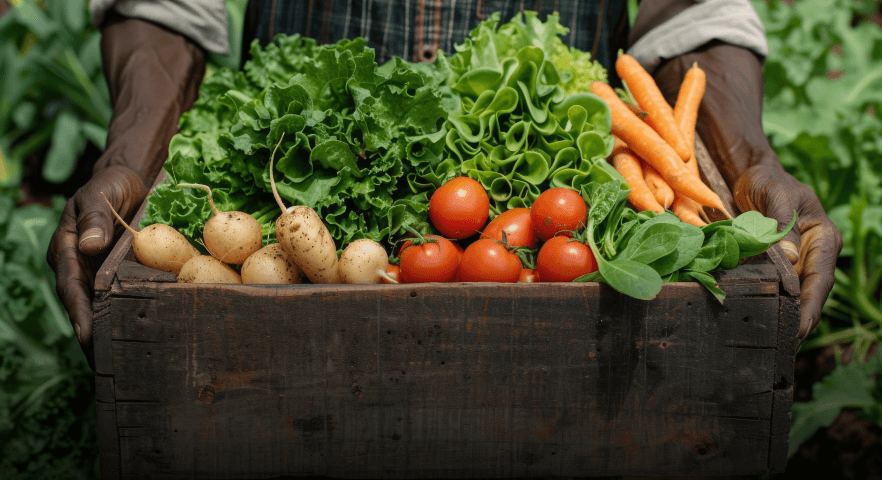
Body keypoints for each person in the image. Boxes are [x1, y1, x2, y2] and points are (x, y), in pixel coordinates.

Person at [48, 0, 842, 365]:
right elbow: (164, 7)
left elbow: (696, 16)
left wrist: (746, 160)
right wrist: (131, 153)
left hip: (548, 241)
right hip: (309, 216)